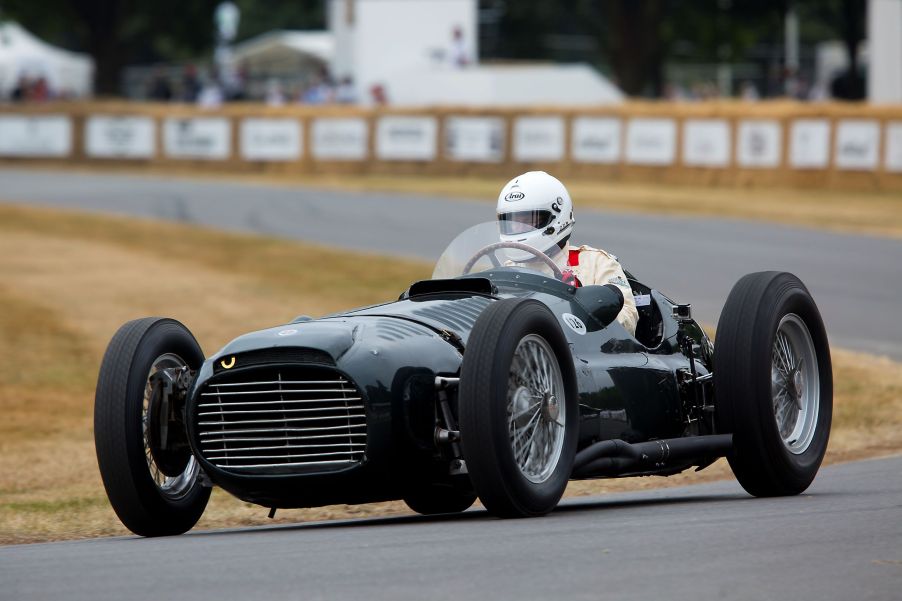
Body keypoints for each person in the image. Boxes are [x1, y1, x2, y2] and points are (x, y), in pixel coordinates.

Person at [496, 171, 638, 336]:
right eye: (513, 222)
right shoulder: (507, 272)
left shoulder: (596, 263)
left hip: (585, 354)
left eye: (528, 221)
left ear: (557, 217)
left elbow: (628, 322)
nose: (519, 229)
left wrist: (582, 311)